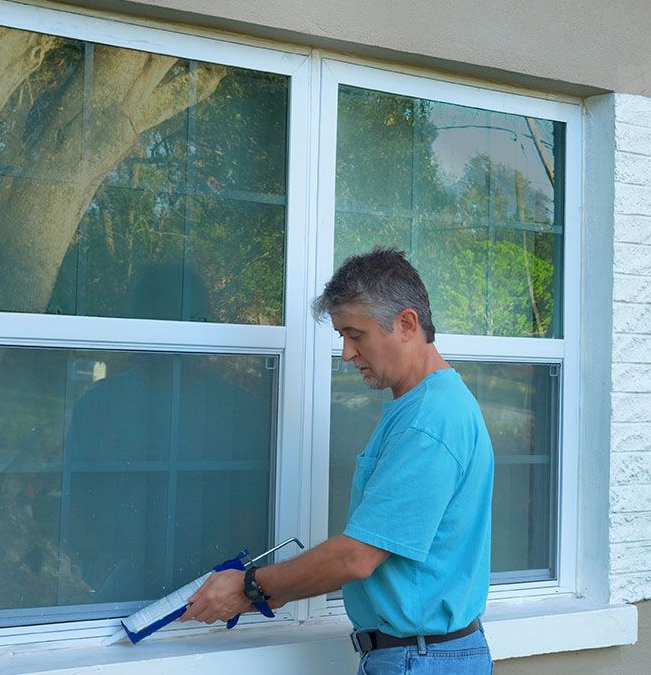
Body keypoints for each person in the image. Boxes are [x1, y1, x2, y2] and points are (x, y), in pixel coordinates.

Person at [181, 248, 495, 674]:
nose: (347, 352)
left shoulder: (430, 422)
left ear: (406, 324)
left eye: (356, 334)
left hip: (421, 659)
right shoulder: (424, 407)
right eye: (341, 336)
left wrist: (250, 587)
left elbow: (356, 557)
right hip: (422, 655)